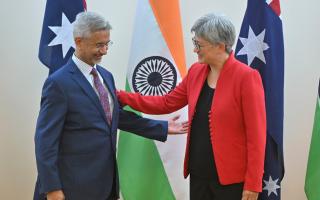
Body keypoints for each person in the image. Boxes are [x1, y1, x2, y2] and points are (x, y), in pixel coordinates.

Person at [34, 11, 187, 200]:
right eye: (99, 45)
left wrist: (161, 127)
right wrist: (52, 188)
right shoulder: (58, 84)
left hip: (105, 185)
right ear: (79, 41)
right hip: (72, 187)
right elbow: (45, 141)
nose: (105, 50)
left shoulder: (106, 76)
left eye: (107, 44)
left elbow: (114, 117)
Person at [117, 13, 266, 200]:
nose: (195, 50)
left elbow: (257, 136)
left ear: (220, 45)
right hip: (198, 175)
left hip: (231, 181)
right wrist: (122, 96)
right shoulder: (196, 72)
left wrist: (253, 183)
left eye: (199, 44)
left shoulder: (246, 77)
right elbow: (166, 103)